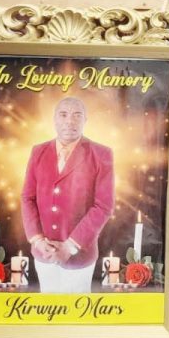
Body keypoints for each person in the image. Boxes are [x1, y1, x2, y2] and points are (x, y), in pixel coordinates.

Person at [21, 96, 114, 294]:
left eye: (76, 115)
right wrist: (37, 240)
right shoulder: (38, 151)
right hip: (42, 251)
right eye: (63, 115)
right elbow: (27, 198)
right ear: (54, 119)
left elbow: (104, 206)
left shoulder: (101, 154)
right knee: (48, 311)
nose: (69, 121)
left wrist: (70, 247)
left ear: (85, 120)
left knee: (77, 315)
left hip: (79, 255)